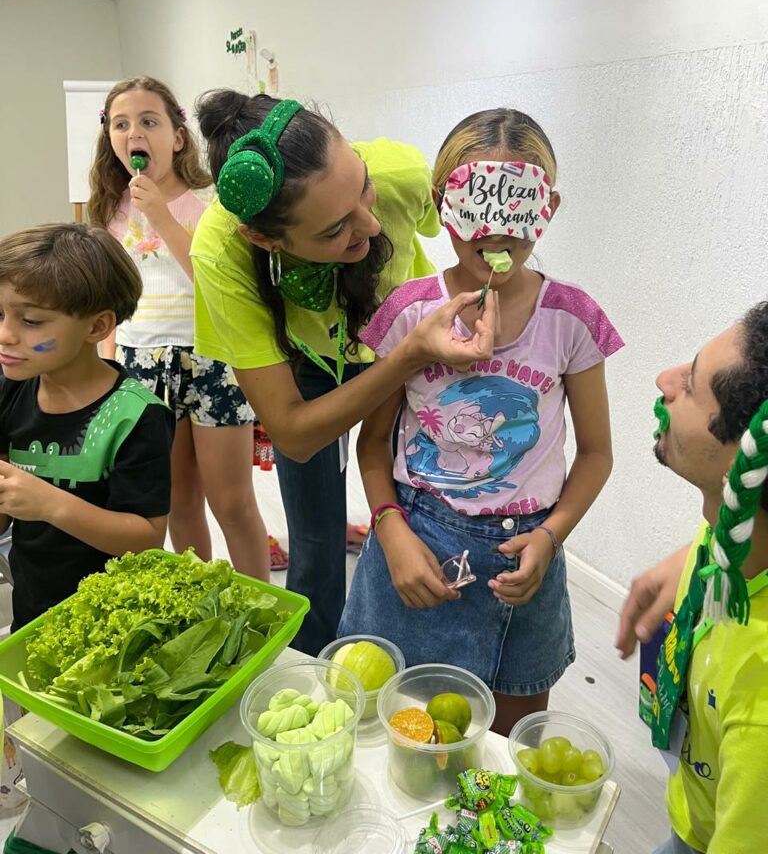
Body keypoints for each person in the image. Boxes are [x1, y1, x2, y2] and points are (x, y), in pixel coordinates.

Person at [338, 108, 622, 733]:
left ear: (547, 208)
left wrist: (552, 537)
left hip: (527, 553)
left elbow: (597, 453)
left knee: (504, 745)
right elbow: (373, 443)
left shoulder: (572, 320)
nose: (496, 230)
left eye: (517, 207)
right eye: (477, 205)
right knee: (396, 724)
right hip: (417, 536)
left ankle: (481, 800)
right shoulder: (409, 313)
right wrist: (391, 531)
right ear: (444, 206)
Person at [192, 92, 496, 654]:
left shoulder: (403, 172)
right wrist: (410, 356)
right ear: (264, 239)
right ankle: (314, 663)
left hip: (407, 346)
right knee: (315, 539)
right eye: (335, 230)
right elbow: (293, 432)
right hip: (316, 363)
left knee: (423, 514)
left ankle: (412, 649)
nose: (372, 224)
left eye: (363, 187)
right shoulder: (220, 249)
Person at [88, 76, 275, 580]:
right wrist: (107, 363)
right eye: (121, 124)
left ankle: (264, 605)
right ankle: (202, 602)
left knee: (231, 502)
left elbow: (219, 283)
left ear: (176, 136)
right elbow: (110, 299)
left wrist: (162, 217)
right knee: (178, 500)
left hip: (212, 356)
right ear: (110, 138)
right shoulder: (110, 208)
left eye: (148, 121)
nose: (134, 134)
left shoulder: (211, 201)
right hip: (139, 363)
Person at [616, 300, 768, 854]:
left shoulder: (758, 713)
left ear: (743, 466)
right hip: (696, 810)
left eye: (692, 384)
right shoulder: (740, 541)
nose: (665, 380)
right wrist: (691, 556)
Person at [0, 222, 174, 628]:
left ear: (97, 327)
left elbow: (146, 538)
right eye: (0, 315)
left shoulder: (135, 417)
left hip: (114, 623)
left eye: (31, 321)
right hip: (33, 610)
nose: (5, 335)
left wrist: (49, 504)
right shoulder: (11, 391)